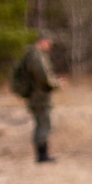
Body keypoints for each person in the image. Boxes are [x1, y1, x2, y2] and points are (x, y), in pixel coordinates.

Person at [10, 36, 61, 164]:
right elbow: (43, 77)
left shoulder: (32, 55)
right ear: (43, 41)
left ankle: (42, 155)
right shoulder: (37, 57)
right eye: (48, 43)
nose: (49, 46)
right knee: (44, 124)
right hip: (39, 97)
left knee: (41, 124)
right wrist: (56, 83)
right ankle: (42, 156)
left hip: (36, 96)